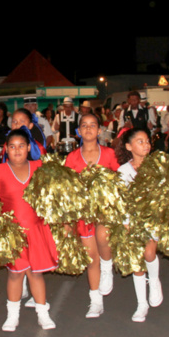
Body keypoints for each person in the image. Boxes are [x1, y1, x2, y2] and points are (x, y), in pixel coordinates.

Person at [0, 129, 58, 331]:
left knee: (36, 273)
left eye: (21, 146)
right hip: (13, 233)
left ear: (29, 148)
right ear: (6, 149)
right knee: (15, 274)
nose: (17, 150)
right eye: (12, 146)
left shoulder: (39, 167)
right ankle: (12, 315)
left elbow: (54, 195)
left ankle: (43, 313)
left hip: (36, 230)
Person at [63, 113, 120, 318]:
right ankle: (95, 301)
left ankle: (107, 266)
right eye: (84, 126)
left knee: (103, 238)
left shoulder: (109, 154)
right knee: (90, 258)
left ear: (99, 130)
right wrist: (67, 220)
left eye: (92, 125)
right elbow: (66, 189)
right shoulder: (72, 157)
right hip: (83, 214)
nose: (88, 129)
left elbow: (120, 179)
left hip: (105, 211)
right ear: (78, 131)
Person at [115, 128, 162, 322]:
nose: (146, 145)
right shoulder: (123, 171)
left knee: (149, 254)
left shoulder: (158, 167)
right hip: (132, 222)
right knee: (136, 262)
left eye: (147, 141)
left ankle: (155, 280)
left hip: (153, 219)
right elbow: (121, 200)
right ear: (129, 147)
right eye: (140, 141)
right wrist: (125, 223)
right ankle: (142, 303)